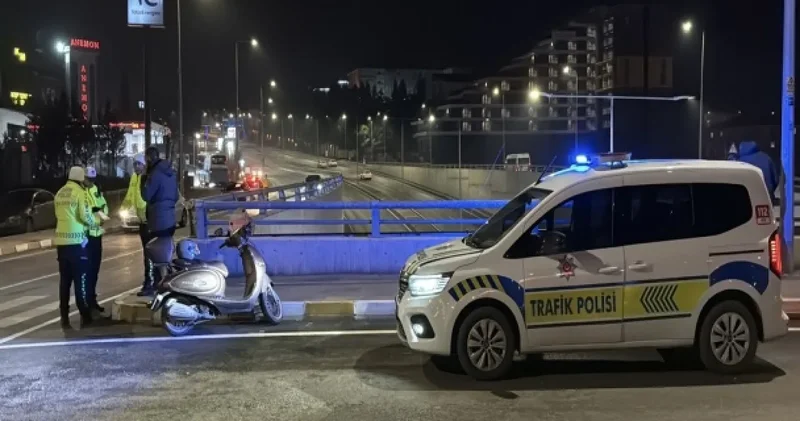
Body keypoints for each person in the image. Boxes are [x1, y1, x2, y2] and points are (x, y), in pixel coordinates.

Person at [54, 166, 98, 329]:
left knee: (65, 282)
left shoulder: (59, 193)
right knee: (81, 280)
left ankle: (64, 317)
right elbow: (85, 215)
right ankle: (85, 315)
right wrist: (96, 222)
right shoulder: (79, 193)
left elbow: (58, 215)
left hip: (61, 244)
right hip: (78, 243)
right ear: (80, 178)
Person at [141, 146, 179, 294]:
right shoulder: (170, 173)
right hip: (169, 219)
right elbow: (175, 196)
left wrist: (143, 180)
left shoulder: (154, 175)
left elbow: (146, 195)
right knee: (166, 253)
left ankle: (160, 286)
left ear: (149, 158)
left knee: (155, 254)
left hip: (157, 220)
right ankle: (169, 283)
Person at [121, 154, 151, 296]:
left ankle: (150, 283)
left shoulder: (149, 178)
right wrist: (123, 207)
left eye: (139, 164)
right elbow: (130, 194)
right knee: (146, 253)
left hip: (149, 221)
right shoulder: (134, 177)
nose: (136, 167)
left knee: (150, 254)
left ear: (144, 165)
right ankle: (149, 282)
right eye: (135, 164)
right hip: (141, 221)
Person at [84, 167, 109, 316]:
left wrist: (102, 217)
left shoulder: (95, 190)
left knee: (94, 270)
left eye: (92, 179)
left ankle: (92, 300)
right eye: (88, 179)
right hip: (85, 235)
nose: (90, 182)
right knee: (86, 271)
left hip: (96, 234)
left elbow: (104, 206)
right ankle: (86, 302)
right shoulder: (80, 193)